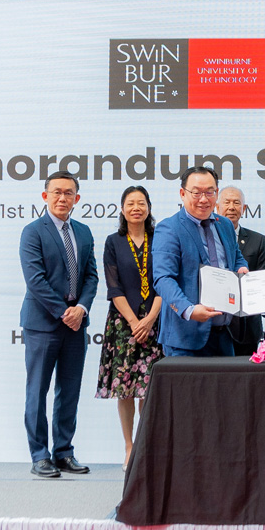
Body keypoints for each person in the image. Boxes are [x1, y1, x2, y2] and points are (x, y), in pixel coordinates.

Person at [18, 172, 97, 477]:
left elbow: (91, 276)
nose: (62, 198)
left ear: (77, 199)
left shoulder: (84, 231)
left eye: (69, 193)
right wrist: (65, 312)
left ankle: (64, 452)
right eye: (57, 193)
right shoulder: (32, 232)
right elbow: (34, 280)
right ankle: (40, 455)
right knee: (37, 391)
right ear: (45, 196)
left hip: (77, 325)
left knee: (70, 391)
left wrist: (82, 308)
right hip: (43, 324)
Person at [95, 185, 164, 468]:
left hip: (155, 323)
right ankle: (128, 447)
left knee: (149, 390)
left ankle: (145, 446)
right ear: (122, 209)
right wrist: (136, 322)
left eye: (142, 203)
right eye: (130, 203)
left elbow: (166, 281)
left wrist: (149, 320)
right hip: (124, 326)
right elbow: (114, 287)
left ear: (148, 207)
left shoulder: (160, 239)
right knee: (124, 390)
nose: (136, 207)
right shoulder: (114, 241)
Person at [152, 165, 248, 357]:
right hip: (185, 338)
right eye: (196, 193)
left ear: (217, 193)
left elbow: (235, 255)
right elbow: (163, 278)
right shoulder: (169, 228)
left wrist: (242, 267)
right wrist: (188, 309)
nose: (204, 199)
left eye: (210, 192)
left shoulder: (225, 224)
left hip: (224, 333)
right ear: (182, 193)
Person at [219, 185, 265, 355]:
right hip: (216, 322)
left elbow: (262, 279)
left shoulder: (258, 240)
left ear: (244, 209)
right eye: (227, 202)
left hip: (248, 324)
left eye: (236, 203)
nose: (231, 207)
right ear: (217, 206)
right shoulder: (206, 237)